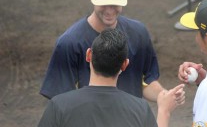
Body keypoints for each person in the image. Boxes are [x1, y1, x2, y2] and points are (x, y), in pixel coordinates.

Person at [40, 0, 165, 102]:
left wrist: (166, 96)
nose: (109, 10)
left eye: (114, 3)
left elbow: (145, 83)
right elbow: (61, 102)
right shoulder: (69, 43)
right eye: (103, 3)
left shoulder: (138, 33)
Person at [38, 28, 185, 127]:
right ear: (124, 65)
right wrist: (164, 111)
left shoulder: (59, 106)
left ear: (89, 55)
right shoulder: (140, 109)